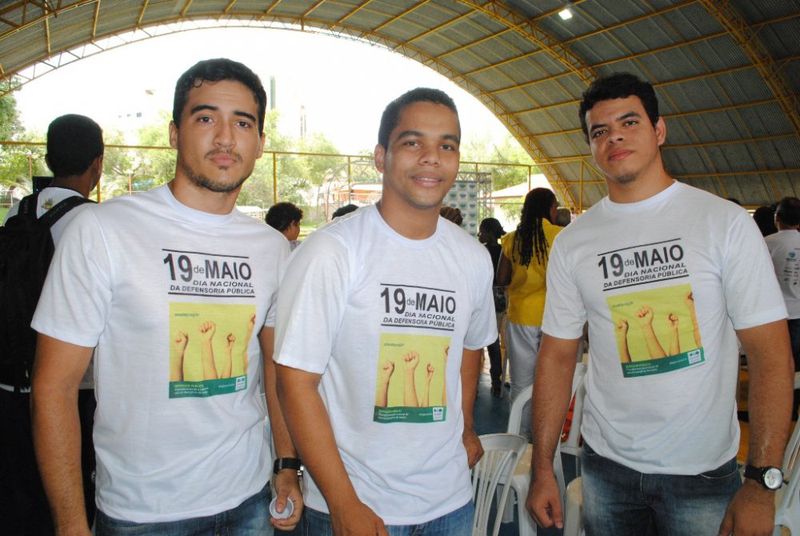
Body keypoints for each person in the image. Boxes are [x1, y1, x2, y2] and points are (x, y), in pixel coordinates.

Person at [30, 58, 302, 535]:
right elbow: (54, 388)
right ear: (175, 133)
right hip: (142, 513)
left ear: (259, 142)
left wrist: (285, 463)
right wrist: (72, 524)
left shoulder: (271, 249)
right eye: (205, 118)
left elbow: (275, 369)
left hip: (250, 500)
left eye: (243, 123)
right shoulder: (103, 230)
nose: (224, 137)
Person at [525, 72, 793, 536]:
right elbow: (557, 355)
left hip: (703, 474)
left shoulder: (722, 223)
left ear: (659, 130)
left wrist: (761, 483)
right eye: (600, 131)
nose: (615, 137)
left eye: (629, 122)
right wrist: (542, 466)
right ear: (591, 146)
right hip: (607, 469)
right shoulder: (575, 244)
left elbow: (771, 357)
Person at [274, 87, 497, 535]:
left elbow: (471, 348)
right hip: (356, 503)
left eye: (446, 145)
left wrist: (467, 425)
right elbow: (295, 382)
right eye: (413, 143)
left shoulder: (471, 258)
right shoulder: (333, 252)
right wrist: (342, 502)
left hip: (449, 502)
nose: (431, 158)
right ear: (381, 156)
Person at [1, 113, 103, 535]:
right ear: (98, 164)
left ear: (48, 157)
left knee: (20, 505)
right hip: (74, 395)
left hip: (10, 386)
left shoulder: (18, 213)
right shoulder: (94, 225)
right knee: (70, 499)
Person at [496, 187, 562, 436]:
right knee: (552, 381)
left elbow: (501, 277)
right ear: (549, 208)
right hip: (554, 319)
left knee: (522, 384)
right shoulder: (559, 236)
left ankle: (518, 439)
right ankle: (546, 437)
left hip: (521, 316)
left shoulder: (512, 239)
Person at [765, 196, 800, 418]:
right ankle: (793, 408)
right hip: (799, 313)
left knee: (775, 364)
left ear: (777, 217)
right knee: (796, 364)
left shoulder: (767, 242)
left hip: (776, 315)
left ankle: (776, 407)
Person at [478, 216, 507, 397]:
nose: (479, 234)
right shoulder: (504, 250)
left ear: (488, 233)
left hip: (483, 300)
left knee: (477, 342)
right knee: (494, 342)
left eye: (482, 231)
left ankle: (473, 380)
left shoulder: (480, 252)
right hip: (500, 301)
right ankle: (496, 381)